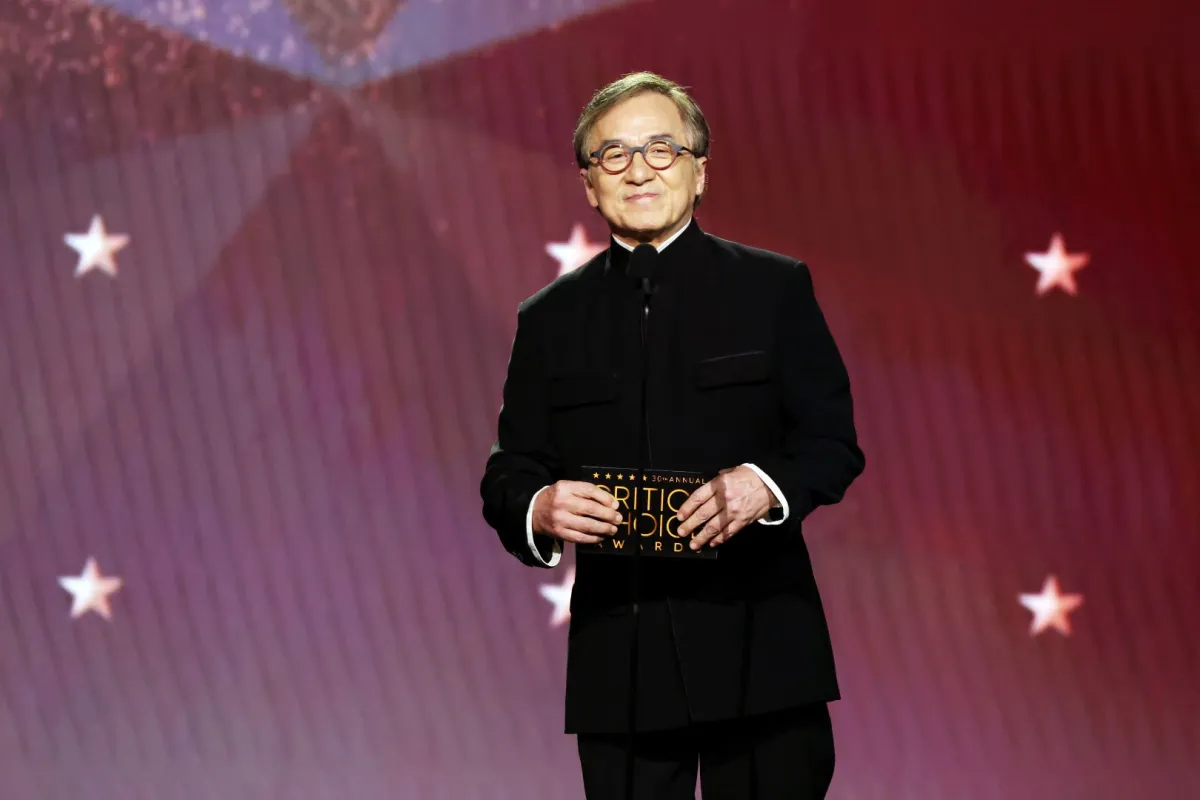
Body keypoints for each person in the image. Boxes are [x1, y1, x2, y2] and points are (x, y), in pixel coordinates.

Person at [480, 71, 865, 799]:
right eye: (613, 156)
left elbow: (831, 443)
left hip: (763, 657)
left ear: (699, 169)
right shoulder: (549, 320)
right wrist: (538, 507)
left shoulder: (774, 290)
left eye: (661, 148)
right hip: (619, 669)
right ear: (590, 186)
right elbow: (510, 469)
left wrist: (768, 485)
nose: (638, 170)